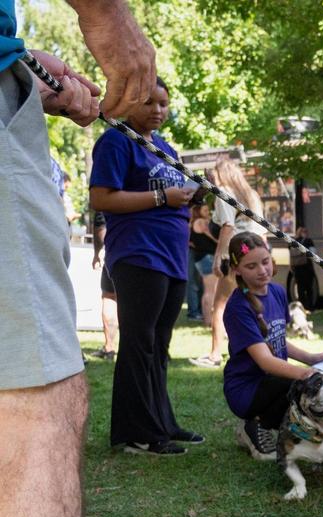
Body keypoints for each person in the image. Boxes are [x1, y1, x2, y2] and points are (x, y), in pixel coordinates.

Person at [0, 0, 166, 517]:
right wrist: (106, 12)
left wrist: (23, 63)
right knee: (32, 402)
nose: (155, 102)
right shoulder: (123, 152)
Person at [89, 75, 202, 456]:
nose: (157, 110)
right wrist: (162, 197)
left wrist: (191, 193)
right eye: (149, 102)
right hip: (139, 254)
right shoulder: (117, 140)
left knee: (160, 342)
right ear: (129, 103)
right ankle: (135, 433)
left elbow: (174, 196)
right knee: (139, 342)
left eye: (163, 104)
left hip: (171, 258)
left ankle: (162, 423)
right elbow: (101, 198)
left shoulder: (165, 146)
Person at [222, 232, 323, 460]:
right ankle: (254, 426)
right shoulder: (238, 307)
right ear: (237, 270)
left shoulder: (278, 292)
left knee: (299, 391)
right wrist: (306, 374)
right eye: (251, 266)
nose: (262, 270)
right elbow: (265, 362)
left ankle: (282, 425)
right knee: (299, 386)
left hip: (274, 381)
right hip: (247, 390)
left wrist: (310, 359)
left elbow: (278, 339)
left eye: (265, 262)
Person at [191, 156, 266, 368]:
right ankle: (261, 350)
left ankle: (215, 354)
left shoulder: (224, 193)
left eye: (214, 172)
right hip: (258, 251)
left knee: (220, 305)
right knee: (255, 304)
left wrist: (219, 258)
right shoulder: (251, 195)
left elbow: (227, 227)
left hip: (238, 254)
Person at [89, 215, 118, 361]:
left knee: (109, 297)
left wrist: (97, 253)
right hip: (149, 252)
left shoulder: (108, 192)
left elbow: (101, 224)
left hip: (116, 253)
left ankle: (110, 347)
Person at [187, 202, 216, 322]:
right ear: (198, 211)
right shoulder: (201, 222)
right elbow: (215, 239)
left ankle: (204, 315)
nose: (207, 212)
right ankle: (208, 318)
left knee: (205, 289)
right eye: (204, 210)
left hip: (201, 257)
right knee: (209, 290)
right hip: (207, 257)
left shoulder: (193, 223)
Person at [289, 225, 317, 308]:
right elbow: (313, 252)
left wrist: (290, 265)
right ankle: (310, 307)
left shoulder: (293, 241)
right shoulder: (308, 241)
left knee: (300, 289)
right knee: (309, 289)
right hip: (307, 267)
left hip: (297, 268)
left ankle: (302, 307)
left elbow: (291, 255)